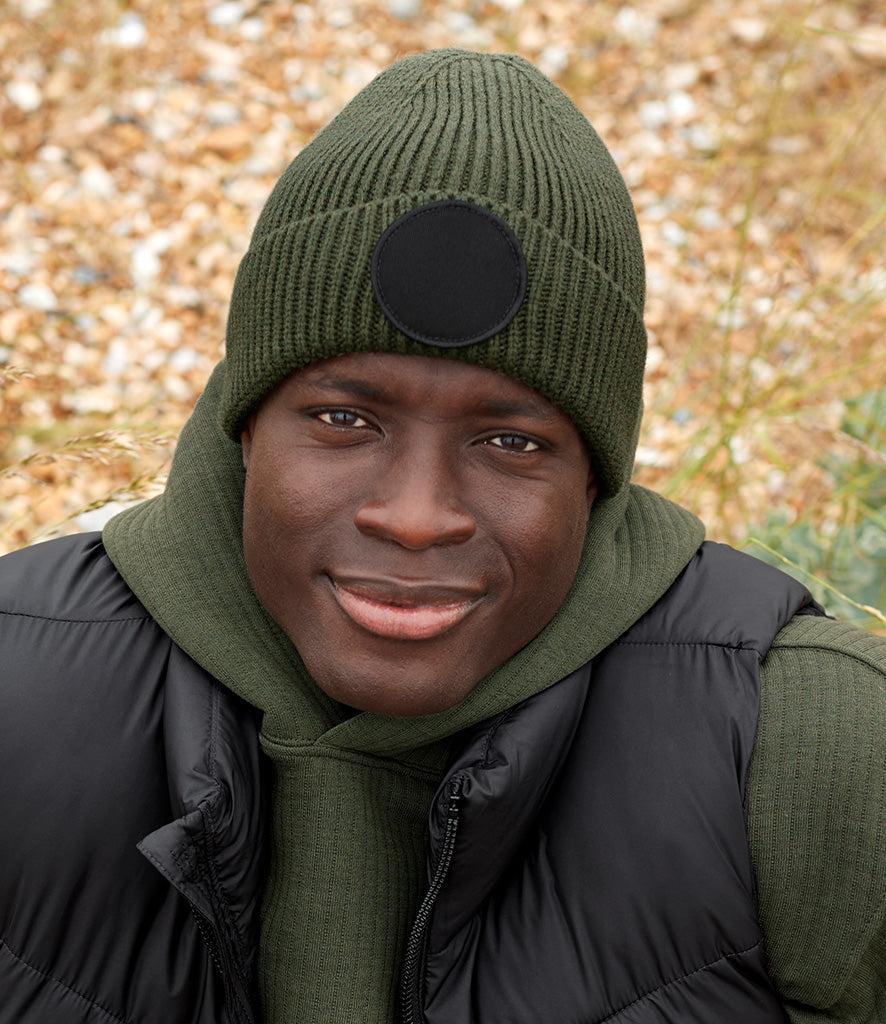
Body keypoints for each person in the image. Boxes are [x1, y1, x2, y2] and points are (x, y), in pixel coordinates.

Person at [1, 48, 885, 1024]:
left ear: (596, 474)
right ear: (244, 425)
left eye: (511, 441)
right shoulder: (16, 697)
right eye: (344, 419)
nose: (417, 516)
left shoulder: (810, 748)